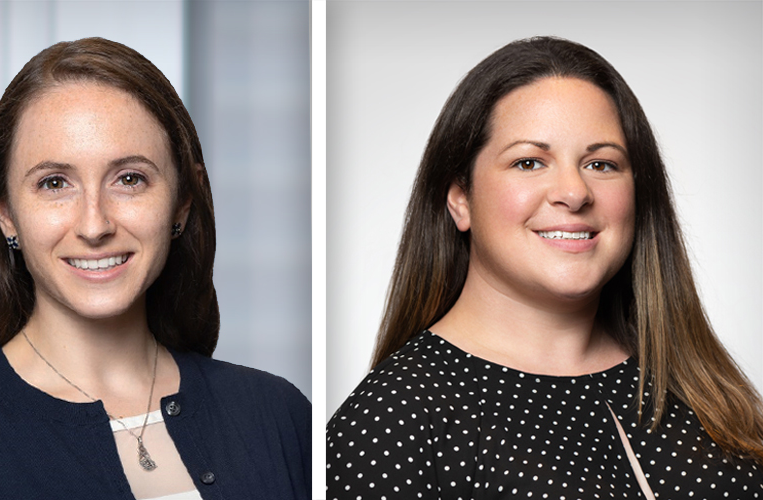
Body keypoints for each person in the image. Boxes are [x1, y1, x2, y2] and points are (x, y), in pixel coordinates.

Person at [326, 36, 763, 499]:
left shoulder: (703, 388)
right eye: (529, 162)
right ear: (460, 199)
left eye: (601, 163)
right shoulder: (394, 420)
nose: (574, 192)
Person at [0, 37, 310, 499]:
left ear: (183, 198)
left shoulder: (279, 415)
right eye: (54, 183)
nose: (94, 224)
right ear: (3, 209)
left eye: (129, 179)